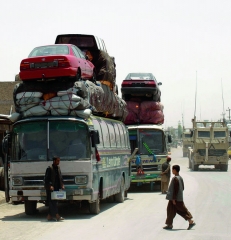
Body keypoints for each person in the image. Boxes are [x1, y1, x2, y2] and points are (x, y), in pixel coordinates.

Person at [163, 165, 196, 230]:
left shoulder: (175, 179)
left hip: (175, 199)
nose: (172, 171)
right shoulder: (180, 178)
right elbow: (182, 188)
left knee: (182, 210)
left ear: (175, 170)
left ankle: (191, 221)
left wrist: (174, 199)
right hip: (177, 198)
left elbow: (175, 190)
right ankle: (169, 224)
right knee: (170, 210)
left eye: (172, 170)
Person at [44, 156, 65, 221]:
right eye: (57, 161)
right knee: (52, 203)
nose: (59, 162)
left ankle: (49, 216)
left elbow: (60, 177)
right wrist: (50, 185)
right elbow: (46, 179)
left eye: (59, 160)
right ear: (54, 161)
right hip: (50, 189)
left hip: (56, 188)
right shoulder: (49, 168)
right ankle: (57, 215)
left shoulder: (58, 168)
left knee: (54, 202)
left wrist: (62, 184)